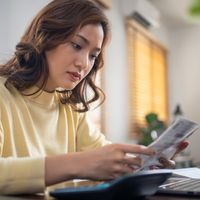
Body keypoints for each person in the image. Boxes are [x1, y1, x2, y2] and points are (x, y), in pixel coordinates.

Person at [0, 0, 188, 195]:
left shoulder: (69, 109)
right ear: (45, 37)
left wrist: (147, 163)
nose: (84, 63)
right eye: (76, 45)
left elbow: (107, 161)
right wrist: (77, 164)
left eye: (93, 56)